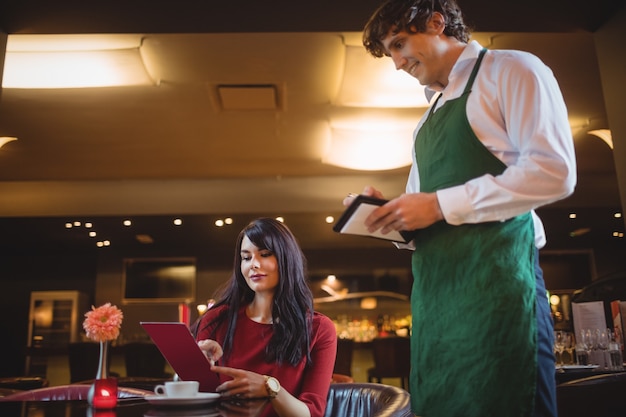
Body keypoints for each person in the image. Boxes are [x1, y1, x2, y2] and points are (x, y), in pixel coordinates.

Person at [345, 1, 577, 416]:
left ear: (436, 22)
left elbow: (554, 171)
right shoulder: (424, 122)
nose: (397, 63)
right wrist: (386, 216)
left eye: (400, 44)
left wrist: (437, 204)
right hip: (435, 304)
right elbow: (423, 219)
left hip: (499, 291)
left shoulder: (512, 69)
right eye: (390, 53)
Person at [195, 217, 337, 417]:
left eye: (265, 254)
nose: (253, 264)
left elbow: (311, 413)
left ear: (286, 259)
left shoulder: (318, 328)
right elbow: (197, 400)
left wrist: (270, 388)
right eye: (246, 257)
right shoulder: (216, 320)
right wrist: (193, 366)